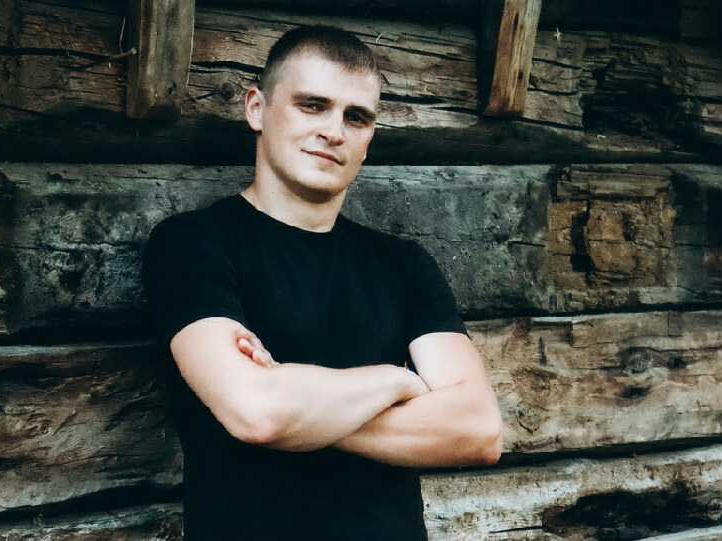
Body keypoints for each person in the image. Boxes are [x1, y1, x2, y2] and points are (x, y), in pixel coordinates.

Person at [141, 25, 503, 541]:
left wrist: (295, 404)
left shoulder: (403, 265)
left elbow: (479, 430)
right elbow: (258, 414)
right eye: (313, 105)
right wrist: (397, 382)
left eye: (356, 117)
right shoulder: (194, 245)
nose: (334, 131)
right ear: (257, 109)